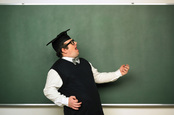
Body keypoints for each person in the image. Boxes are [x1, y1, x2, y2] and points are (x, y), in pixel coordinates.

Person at [43, 29, 129, 115]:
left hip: (96, 111)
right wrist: (66, 101)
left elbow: (97, 77)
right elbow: (48, 90)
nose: (75, 43)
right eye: (72, 42)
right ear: (64, 50)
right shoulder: (57, 69)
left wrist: (118, 73)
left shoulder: (84, 62)